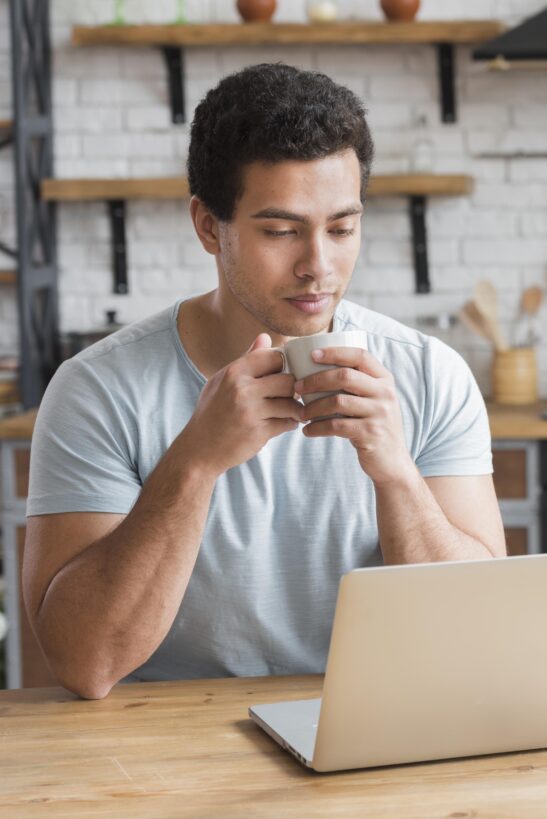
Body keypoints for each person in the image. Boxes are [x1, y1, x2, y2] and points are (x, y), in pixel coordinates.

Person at [23, 64, 506, 699]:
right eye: (281, 231)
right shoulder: (96, 389)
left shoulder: (430, 375)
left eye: (342, 228)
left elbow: (480, 632)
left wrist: (396, 473)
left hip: (378, 724)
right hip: (170, 750)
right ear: (207, 226)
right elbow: (85, 663)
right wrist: (194, 462)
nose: (319, 266)